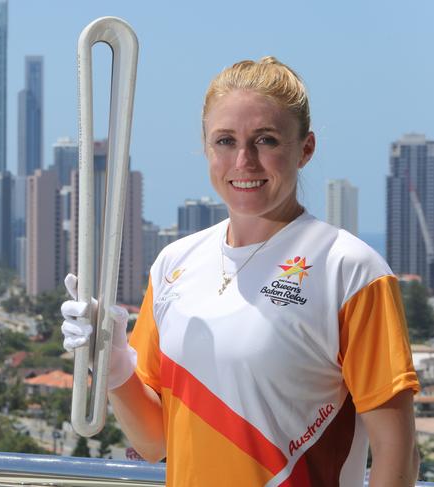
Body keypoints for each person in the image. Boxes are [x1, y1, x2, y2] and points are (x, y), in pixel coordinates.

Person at [61, 57, 421, 486]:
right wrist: (115, 366)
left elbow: (397, 453)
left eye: (266, 140)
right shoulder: (174, 263)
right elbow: (156, 442)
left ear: (305, 148)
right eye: (225, 141)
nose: (244, 161)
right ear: (207, 147)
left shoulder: (350, 270)